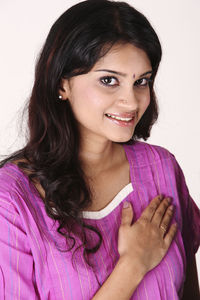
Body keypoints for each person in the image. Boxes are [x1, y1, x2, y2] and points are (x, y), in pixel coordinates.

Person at [0, 0, 199, 299]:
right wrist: (133, 265)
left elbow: (189, 289)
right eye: (109, 80)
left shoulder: (161, 168)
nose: (131, 102)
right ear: (61, 83)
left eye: (141, 81)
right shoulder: (11, 202)